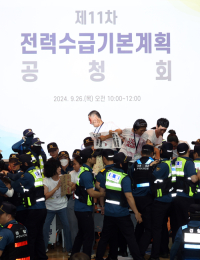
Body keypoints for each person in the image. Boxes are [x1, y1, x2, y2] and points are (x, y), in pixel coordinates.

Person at [95, 152, 143, 260]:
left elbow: (102, 191)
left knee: (105, 237)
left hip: (109, 212)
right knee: (130, 238)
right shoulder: (124, 178)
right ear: (121, 164)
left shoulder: (107, 174)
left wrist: (102, 206)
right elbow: (129, 197)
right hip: (122, 213)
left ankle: (99, 258)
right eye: (126, 162)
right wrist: (136, 213)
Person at [71, 148, 105, 258]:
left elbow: (93, 186)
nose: (96, 158)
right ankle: (86, 257)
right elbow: (91, 193)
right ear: (89, 159)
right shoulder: (86, 174)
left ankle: (72, 256)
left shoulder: (86, 171)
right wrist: (103, 194)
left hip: (82, 208)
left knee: (81, 235)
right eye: (94, 157)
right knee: (88, 236)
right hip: (83, 209)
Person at [12, 154, 47, 260]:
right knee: (39, 235)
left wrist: (8, 176)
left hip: (34, 209)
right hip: (42, 208)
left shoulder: (27, 175)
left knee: (31, 236)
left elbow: (16, 185)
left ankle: (31, 257)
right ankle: (41, 257)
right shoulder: (36, 171)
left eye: (20, 164)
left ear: (26, 164)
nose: (20, 166)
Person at [149, 142, 174, 260]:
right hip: (170, 199)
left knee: (157, 229)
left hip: (160, 200)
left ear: (162, 151)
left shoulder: (163, 166)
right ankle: (164, 251)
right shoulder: (173, 163)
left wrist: (150, 166)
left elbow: (153, 176)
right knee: (164, 228)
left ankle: (154, 256)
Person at [43, 159, 72, 255]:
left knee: (67, 226)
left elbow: (70, 190)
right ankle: (43, 248)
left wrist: (70, 186)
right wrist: (56, 187)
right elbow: (46, 196)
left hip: (63, 205)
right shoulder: (46, 180)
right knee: (45, 227)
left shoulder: (63, 177)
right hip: (49, 207)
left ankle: (69, 249)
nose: (60, 168)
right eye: (58, 167)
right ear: (52, 169)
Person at [171, 143, 199, 242]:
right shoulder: (189, 162)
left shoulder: (174, 161)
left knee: (176, 224)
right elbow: (194, 179)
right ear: (188, 150)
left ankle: (175, 246)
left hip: (175, 197)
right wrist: (198, 174)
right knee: (187, 225)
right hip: (186, 197)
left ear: (178, 152)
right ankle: (184, 249)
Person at [130, 144, 155, 257]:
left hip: (136, 198)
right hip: (148, 198)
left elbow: (131, 177)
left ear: (141, 153)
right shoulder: (154, 163)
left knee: (140, 224)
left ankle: (133, 249)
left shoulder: (135, 163)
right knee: (149, 228)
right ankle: (139, 252)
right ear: (151, 153)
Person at [67, 156, 82, 246]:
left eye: (75, 164)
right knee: (73, 226)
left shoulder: (87, 173)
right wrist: (75, 185)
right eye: (72, 164)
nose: (73, 166)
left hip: (84, 201)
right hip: (72, 201)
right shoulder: (71, 174)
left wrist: (74, 185)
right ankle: (75, 249)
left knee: (84, 227)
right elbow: (69, 190)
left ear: (80, 164)